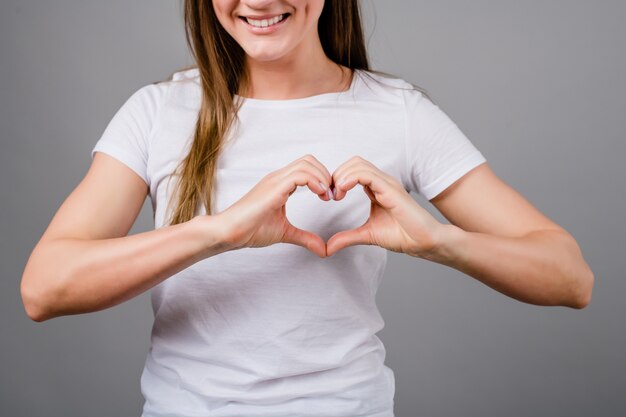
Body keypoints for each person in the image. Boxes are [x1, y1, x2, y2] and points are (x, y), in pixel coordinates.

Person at [20, 1, 595, 416]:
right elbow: (44, 290)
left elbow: (571, 277)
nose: (259, 2)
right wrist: (219, 232)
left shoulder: (397, 113)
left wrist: (440, 242)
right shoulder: (157, 111)